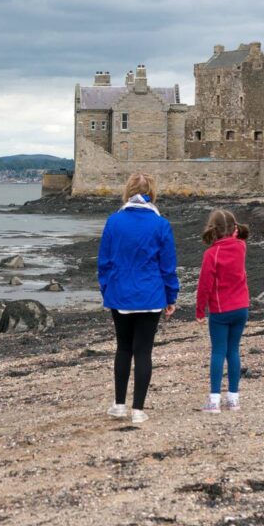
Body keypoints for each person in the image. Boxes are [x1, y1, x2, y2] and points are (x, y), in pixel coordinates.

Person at [96, 173, 179, 424]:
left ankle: (120, 404)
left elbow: (104, 262)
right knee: (143, 352)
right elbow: (168, 266)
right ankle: (138, 410)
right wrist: (171, 295)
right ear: (151, 193)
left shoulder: (114, 221)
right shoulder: (160, 224)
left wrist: (106, 289)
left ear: (128, 191)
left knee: (123, 348)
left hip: (120, 293)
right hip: (151, 294)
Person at [195, 209, 251, 413]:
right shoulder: (241, 247)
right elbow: (237, 240)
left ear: (213, 229)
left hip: (220, 310)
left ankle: (214, 400)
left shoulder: (212, 254)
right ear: (234, 229)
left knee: (218, 352)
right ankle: (234, 399)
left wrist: (200, 310)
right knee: (233, 350)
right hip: (241, 307)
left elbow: (204, 285)